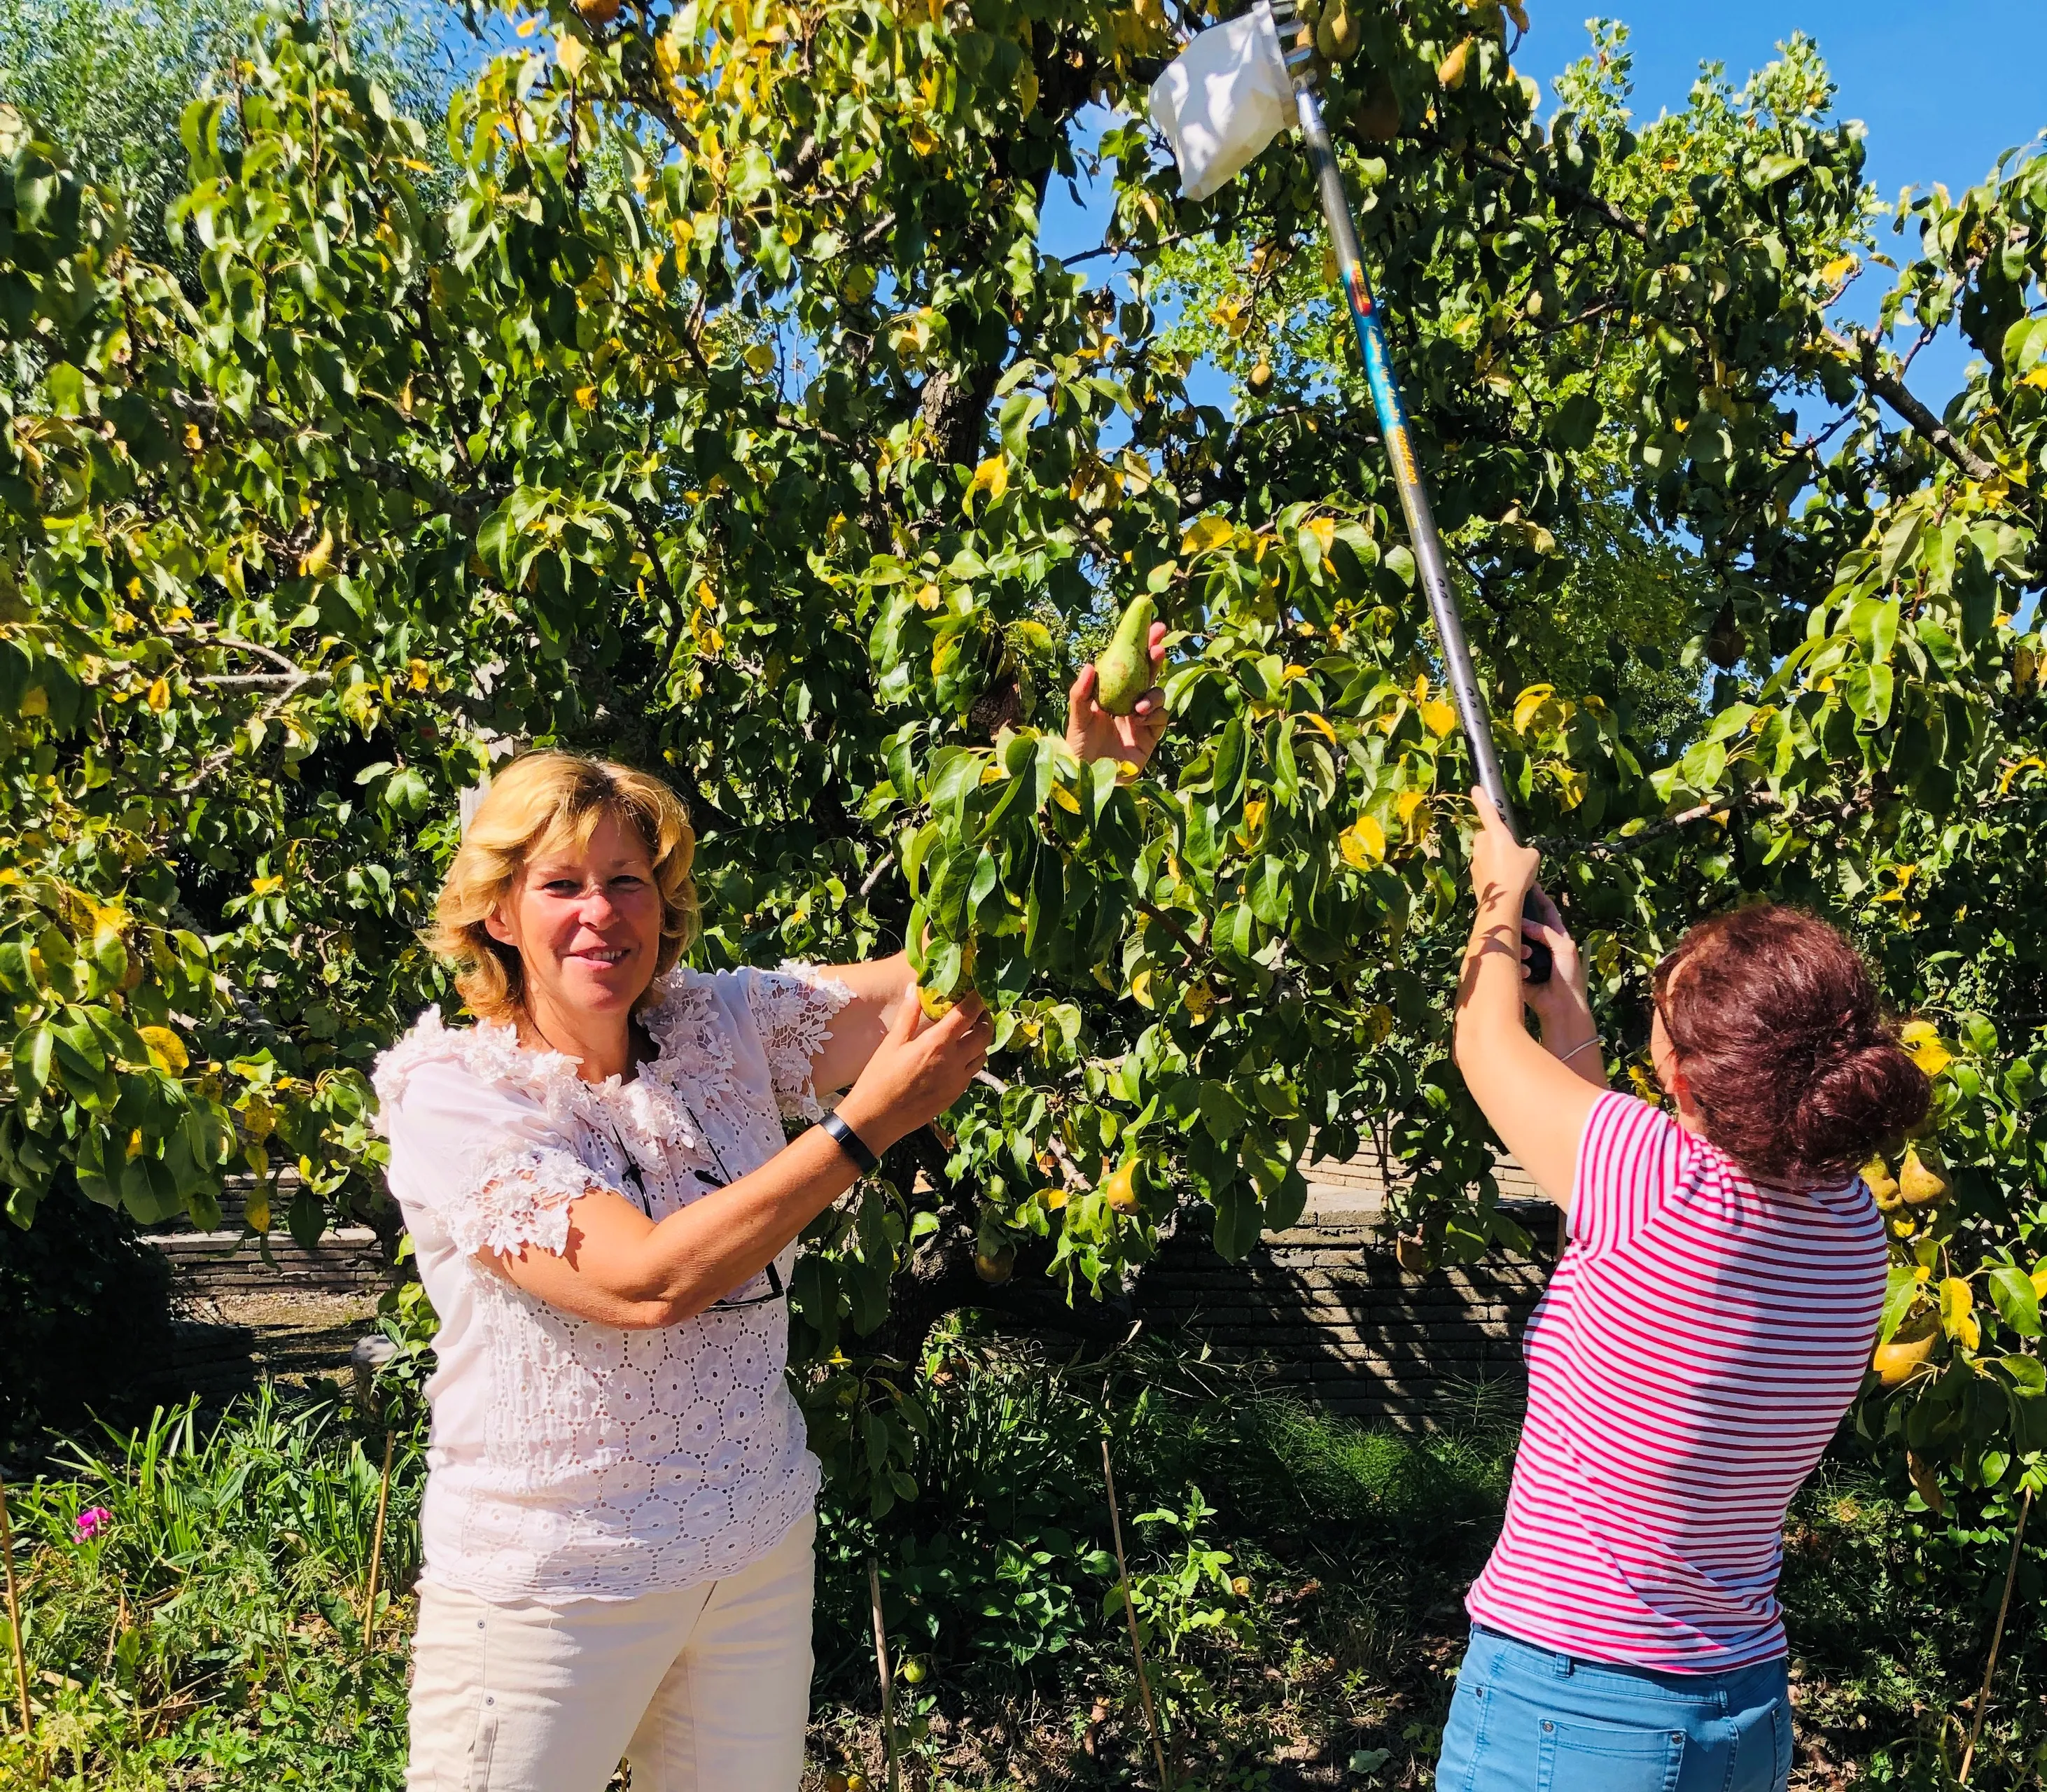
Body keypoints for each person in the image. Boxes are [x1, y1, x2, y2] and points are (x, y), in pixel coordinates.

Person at [376, 642, 1169, 1792]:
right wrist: (858, 1134)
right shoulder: (457, 1095)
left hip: (747, 1552)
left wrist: (1070, 777)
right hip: (551, 1590)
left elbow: (943, 975)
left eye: (629, 880)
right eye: (561, 885)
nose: (602, 913)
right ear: (497, 912)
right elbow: (643, 1282)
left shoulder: (723, 1025)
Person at [1436, 788, 1929, 1792]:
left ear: (1688, 1082)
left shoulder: (1651, 1181)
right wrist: (1564, 1003)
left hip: (1573, 1710)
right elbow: (1617, 1152)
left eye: (1658, 1024)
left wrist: (1498, 896)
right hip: (1735, 1710)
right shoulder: (1851, 1228)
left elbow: (1482, 1046)